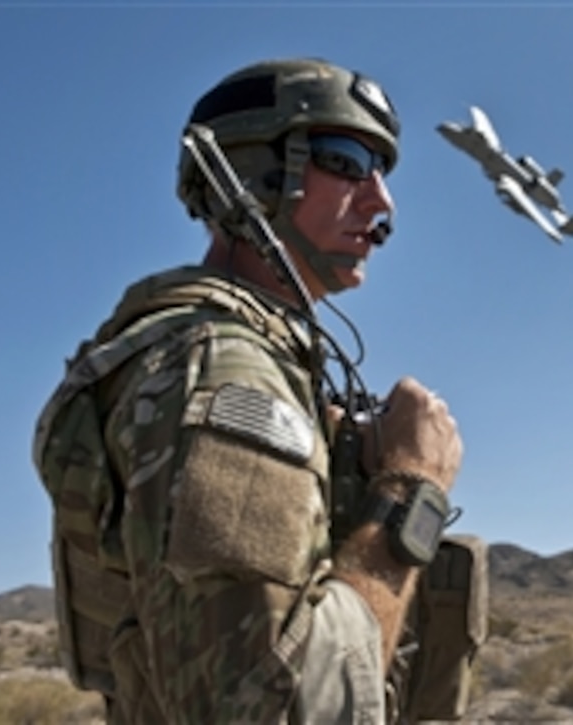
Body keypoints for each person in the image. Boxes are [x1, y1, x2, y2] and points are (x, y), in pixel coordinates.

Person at [32, 57, 466, 724]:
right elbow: (279, 706)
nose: (383, 204)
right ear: (256, 175)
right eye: (347, 160)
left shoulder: (236, 357)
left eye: (383, 172)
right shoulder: (226, 366)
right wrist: (413, 485)